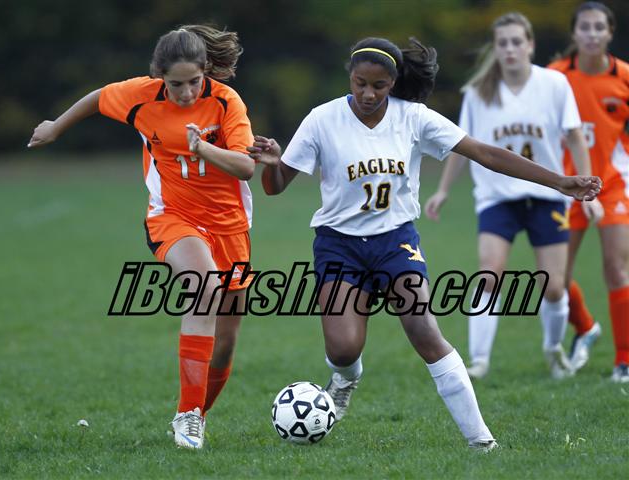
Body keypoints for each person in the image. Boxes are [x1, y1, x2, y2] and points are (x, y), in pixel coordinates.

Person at [248, 36, 600, 450]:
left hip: (395, 241)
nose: (368, 93)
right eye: (360, 83)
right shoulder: (322, 119)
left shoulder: (413, 118)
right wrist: (273, 163)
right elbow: (274, 186)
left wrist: (559, 181)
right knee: (343, 349)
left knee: (425, 330)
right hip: (339, 245)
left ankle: (481, 441)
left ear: (394, 83)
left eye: (379, 86)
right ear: (350, 77)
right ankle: (344, 379)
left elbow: (484, 153)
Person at [28, 25, 257, 449]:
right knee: (204, 288)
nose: (186, 92)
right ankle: (189, 417)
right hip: (173, 216)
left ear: (206, 71)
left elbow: (245, 167)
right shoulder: (140, 96)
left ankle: (194, 413)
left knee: (225, 344)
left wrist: (203, 148)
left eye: (194, 82)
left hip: (230, 227)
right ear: (158, 76)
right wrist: (56, 126)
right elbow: (99, 98)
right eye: (176, 84)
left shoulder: (226, 101)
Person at [424, 12, 602, 380]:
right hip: (497, 198)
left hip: (547, 196)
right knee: (489, 274)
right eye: (502, 43)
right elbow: (462, 146)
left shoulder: (554, 84)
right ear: (495, 48)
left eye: (516, 42)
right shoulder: (478, 92)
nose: (509, 49)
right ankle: (479, 361)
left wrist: (585, 186)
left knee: (554, 285)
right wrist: (442, 190)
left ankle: (553, 350)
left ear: (530, 45)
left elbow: (574, 136)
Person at [548, 1, 629, 383]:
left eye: (599, 27)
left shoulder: (624, 76)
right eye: (585, 27)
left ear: (610, 32)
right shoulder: (554, 76)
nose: (592, 34)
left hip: (612, 185)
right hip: (565, 187)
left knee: (616, 268)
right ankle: (584, 327)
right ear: (574, 33)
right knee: (555, 278)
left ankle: (624, 360)